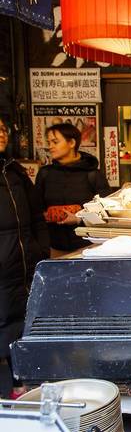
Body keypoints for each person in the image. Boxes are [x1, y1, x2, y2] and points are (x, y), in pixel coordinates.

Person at [0, 117, 49, 398]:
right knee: (4, 321)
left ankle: (22, 383)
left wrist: (40, 249)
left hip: (24, 263)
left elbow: (37, 215)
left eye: (4, 129)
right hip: (4, 263)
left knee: (25, 321)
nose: (1, 134)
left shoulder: (15, 172)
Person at [35, 122, 110, 255]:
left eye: (55, 142)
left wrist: (79, 218)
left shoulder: (93, 175)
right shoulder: (45, 173)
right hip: (54, 247)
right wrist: (44, 215)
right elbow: (36, 208)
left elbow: (106, 211)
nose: (50, 147)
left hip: (88, 247)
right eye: (49, 142)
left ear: (71, 143)